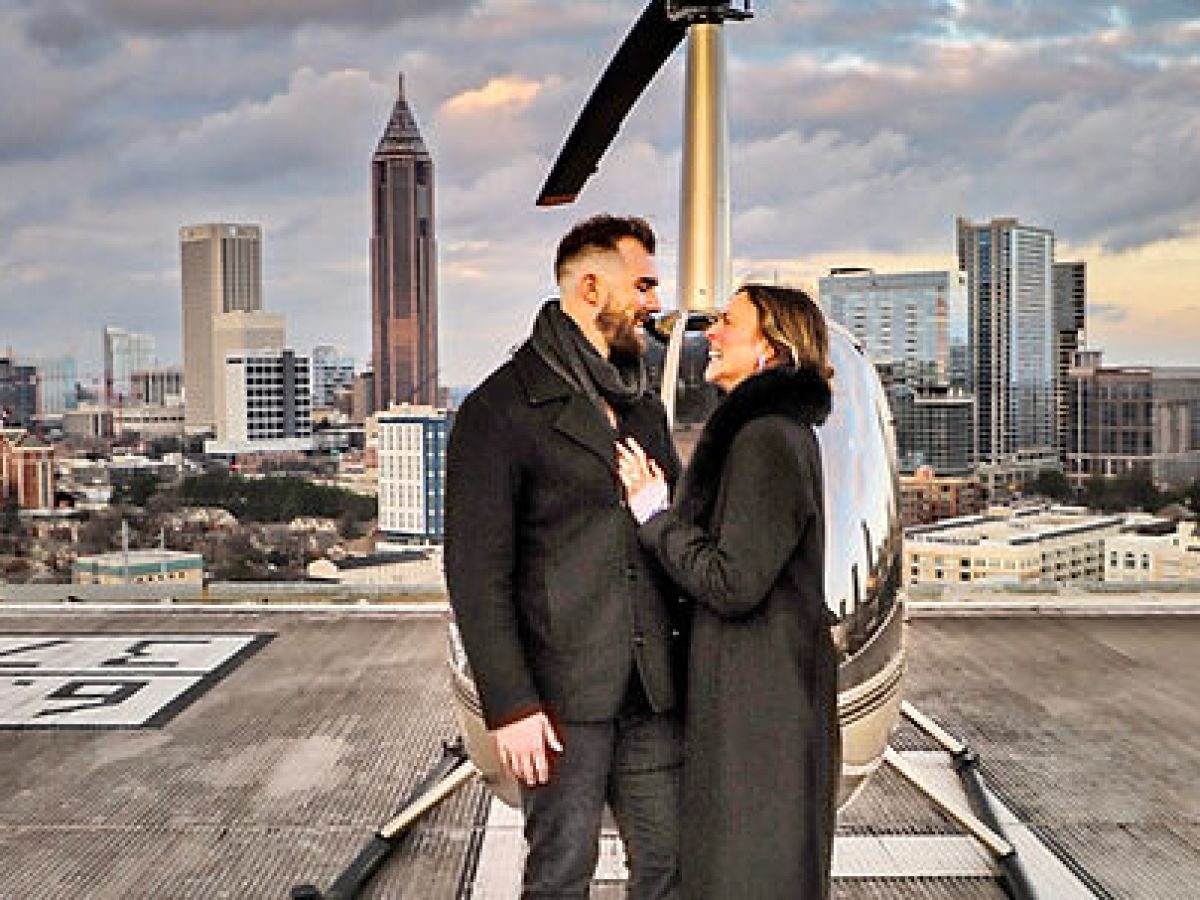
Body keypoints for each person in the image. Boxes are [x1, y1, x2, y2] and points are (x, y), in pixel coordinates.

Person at [445, 214, 685, 899]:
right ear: (589, 287)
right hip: (557, 701)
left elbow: (664, 526)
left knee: (668, 868)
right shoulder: (500, 407)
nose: (653, 301)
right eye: (642, 284)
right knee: (559, 876)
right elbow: (475, 572)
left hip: (651, 690)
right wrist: (512, 704)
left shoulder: (640, 406)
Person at [616, 283, 841, 900]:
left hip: (757, 709)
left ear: (771, 348)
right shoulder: (773, 433)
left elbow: (733, 581)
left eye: (728, 323)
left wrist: (654, 515)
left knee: (746, 873)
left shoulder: (765, 439)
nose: (710, 333)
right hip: (758, 694)